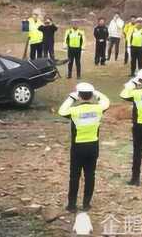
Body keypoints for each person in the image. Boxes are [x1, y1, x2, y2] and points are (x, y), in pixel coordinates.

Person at [58, 82, 110, 212]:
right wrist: (95, 93)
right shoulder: (98, 109)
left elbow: (61, 111)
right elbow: (106, 101)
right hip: (93, 146)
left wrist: (71, 97)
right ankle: (86, 204)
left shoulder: (74, 111)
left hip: (78, 147)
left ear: (79, 96)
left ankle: (72, 205)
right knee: (90, 175)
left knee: (74, 176)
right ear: (91, 95)